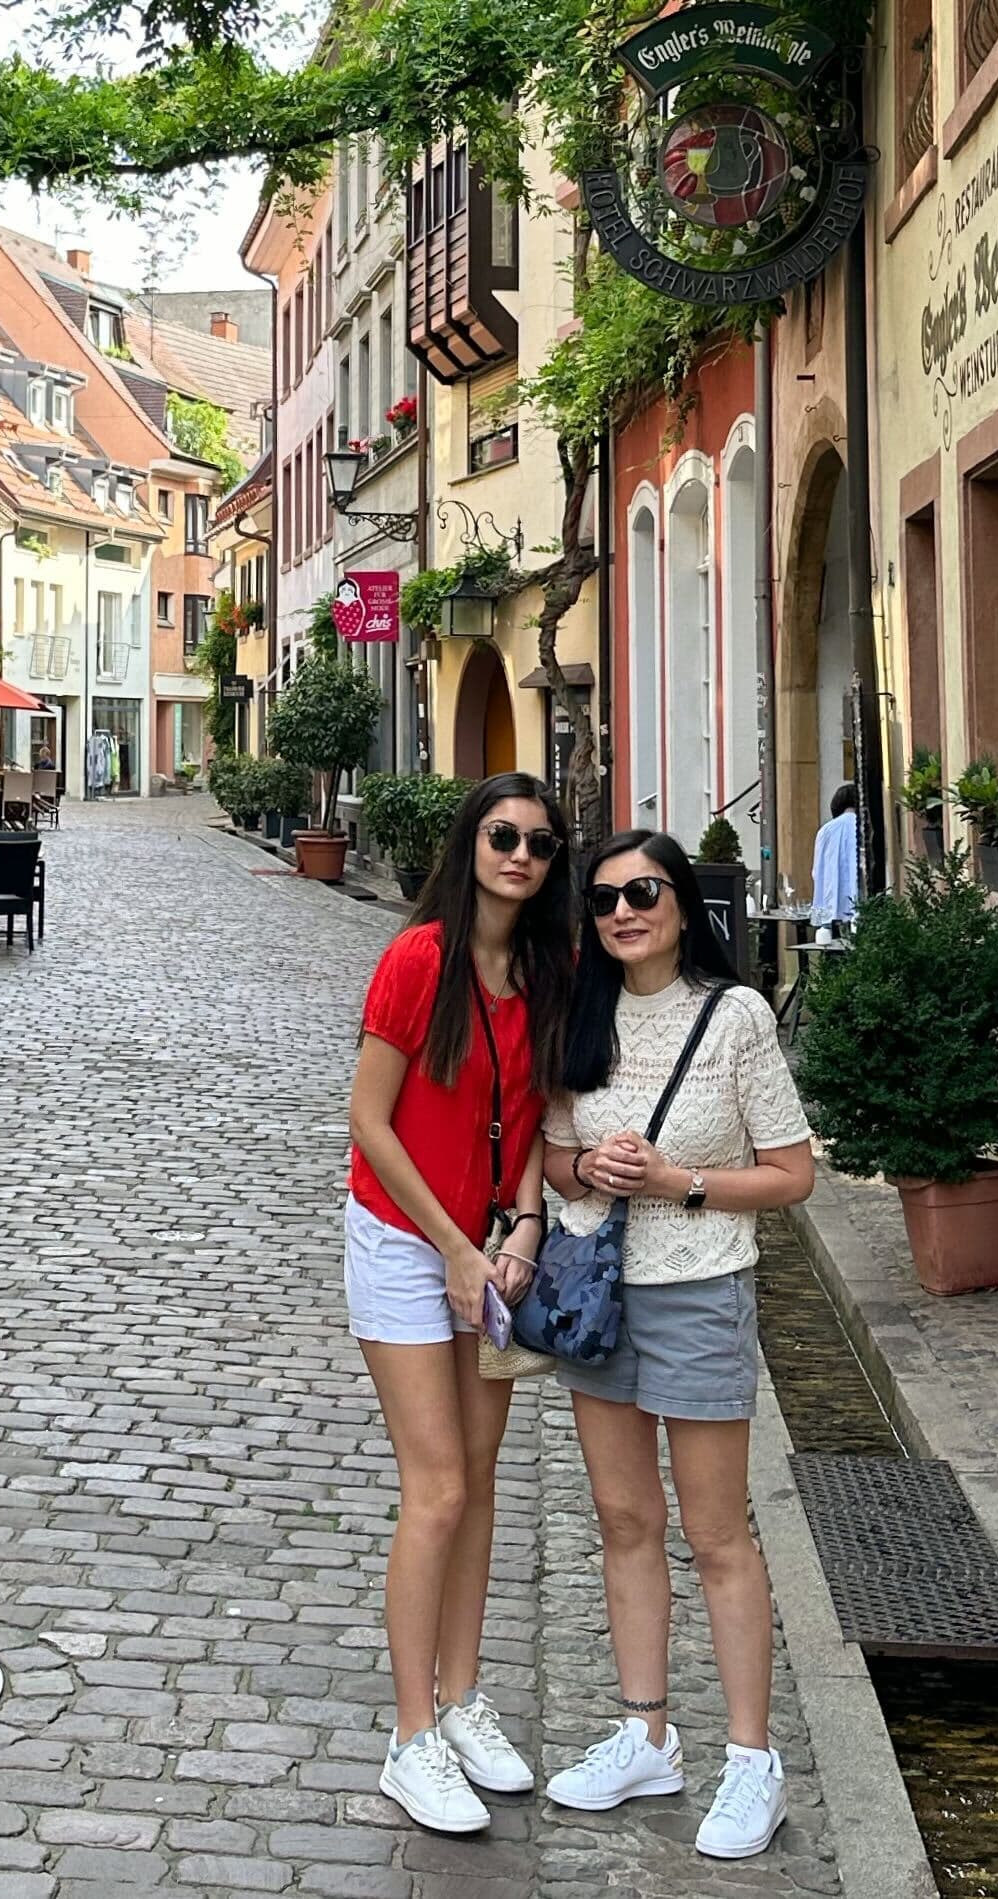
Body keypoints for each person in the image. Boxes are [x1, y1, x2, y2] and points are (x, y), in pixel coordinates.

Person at [542, 829, 813, 1861]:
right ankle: (646, 1732)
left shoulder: (734, 1015)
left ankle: (753, 1759)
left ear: (680, 902)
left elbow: (791, 1174)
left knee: (716, 1533)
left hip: (700, 1292)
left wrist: (678, 1183)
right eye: (605, 899)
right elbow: (551, 1152)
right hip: (598, 1295)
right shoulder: (580, 1009)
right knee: (622, 1518)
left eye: (643, 891)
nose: (623, 912)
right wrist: (589, 1173)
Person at [346, 773, 575, 1834]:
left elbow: (528, 1121)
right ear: (470, 842)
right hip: (401, 1241)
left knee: (481, 1482)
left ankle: (463, 1699)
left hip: (490, 1251)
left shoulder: (546, 968)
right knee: (436, 1486)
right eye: (502, 834)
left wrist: (521, 1231)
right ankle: (409, 1738)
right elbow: (370, 1123)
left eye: (538, 840)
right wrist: (449, 1245)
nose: (519, 853)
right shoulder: (419, 960)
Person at [810, 782, 858, 931]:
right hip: (859, 902)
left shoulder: (826, 830)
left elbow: (817, 871)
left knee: (829, 944)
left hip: (830, 902)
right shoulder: (864, 825)